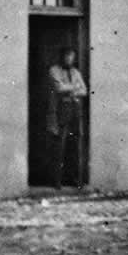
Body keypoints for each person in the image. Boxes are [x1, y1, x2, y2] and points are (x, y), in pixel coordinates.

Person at [47, 47, 88, 188]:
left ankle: (75, 179)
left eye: (72, 57)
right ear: (62, 57)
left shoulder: (75, 72)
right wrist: (74, 87)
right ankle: (57, 180)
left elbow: (84, 90)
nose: (69, 59)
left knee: (75, 145)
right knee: (60, 145)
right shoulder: (54, 70)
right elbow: (59, 88)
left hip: (75, 110)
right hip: (61, 110)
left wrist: (69, 88)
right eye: (67, 56)